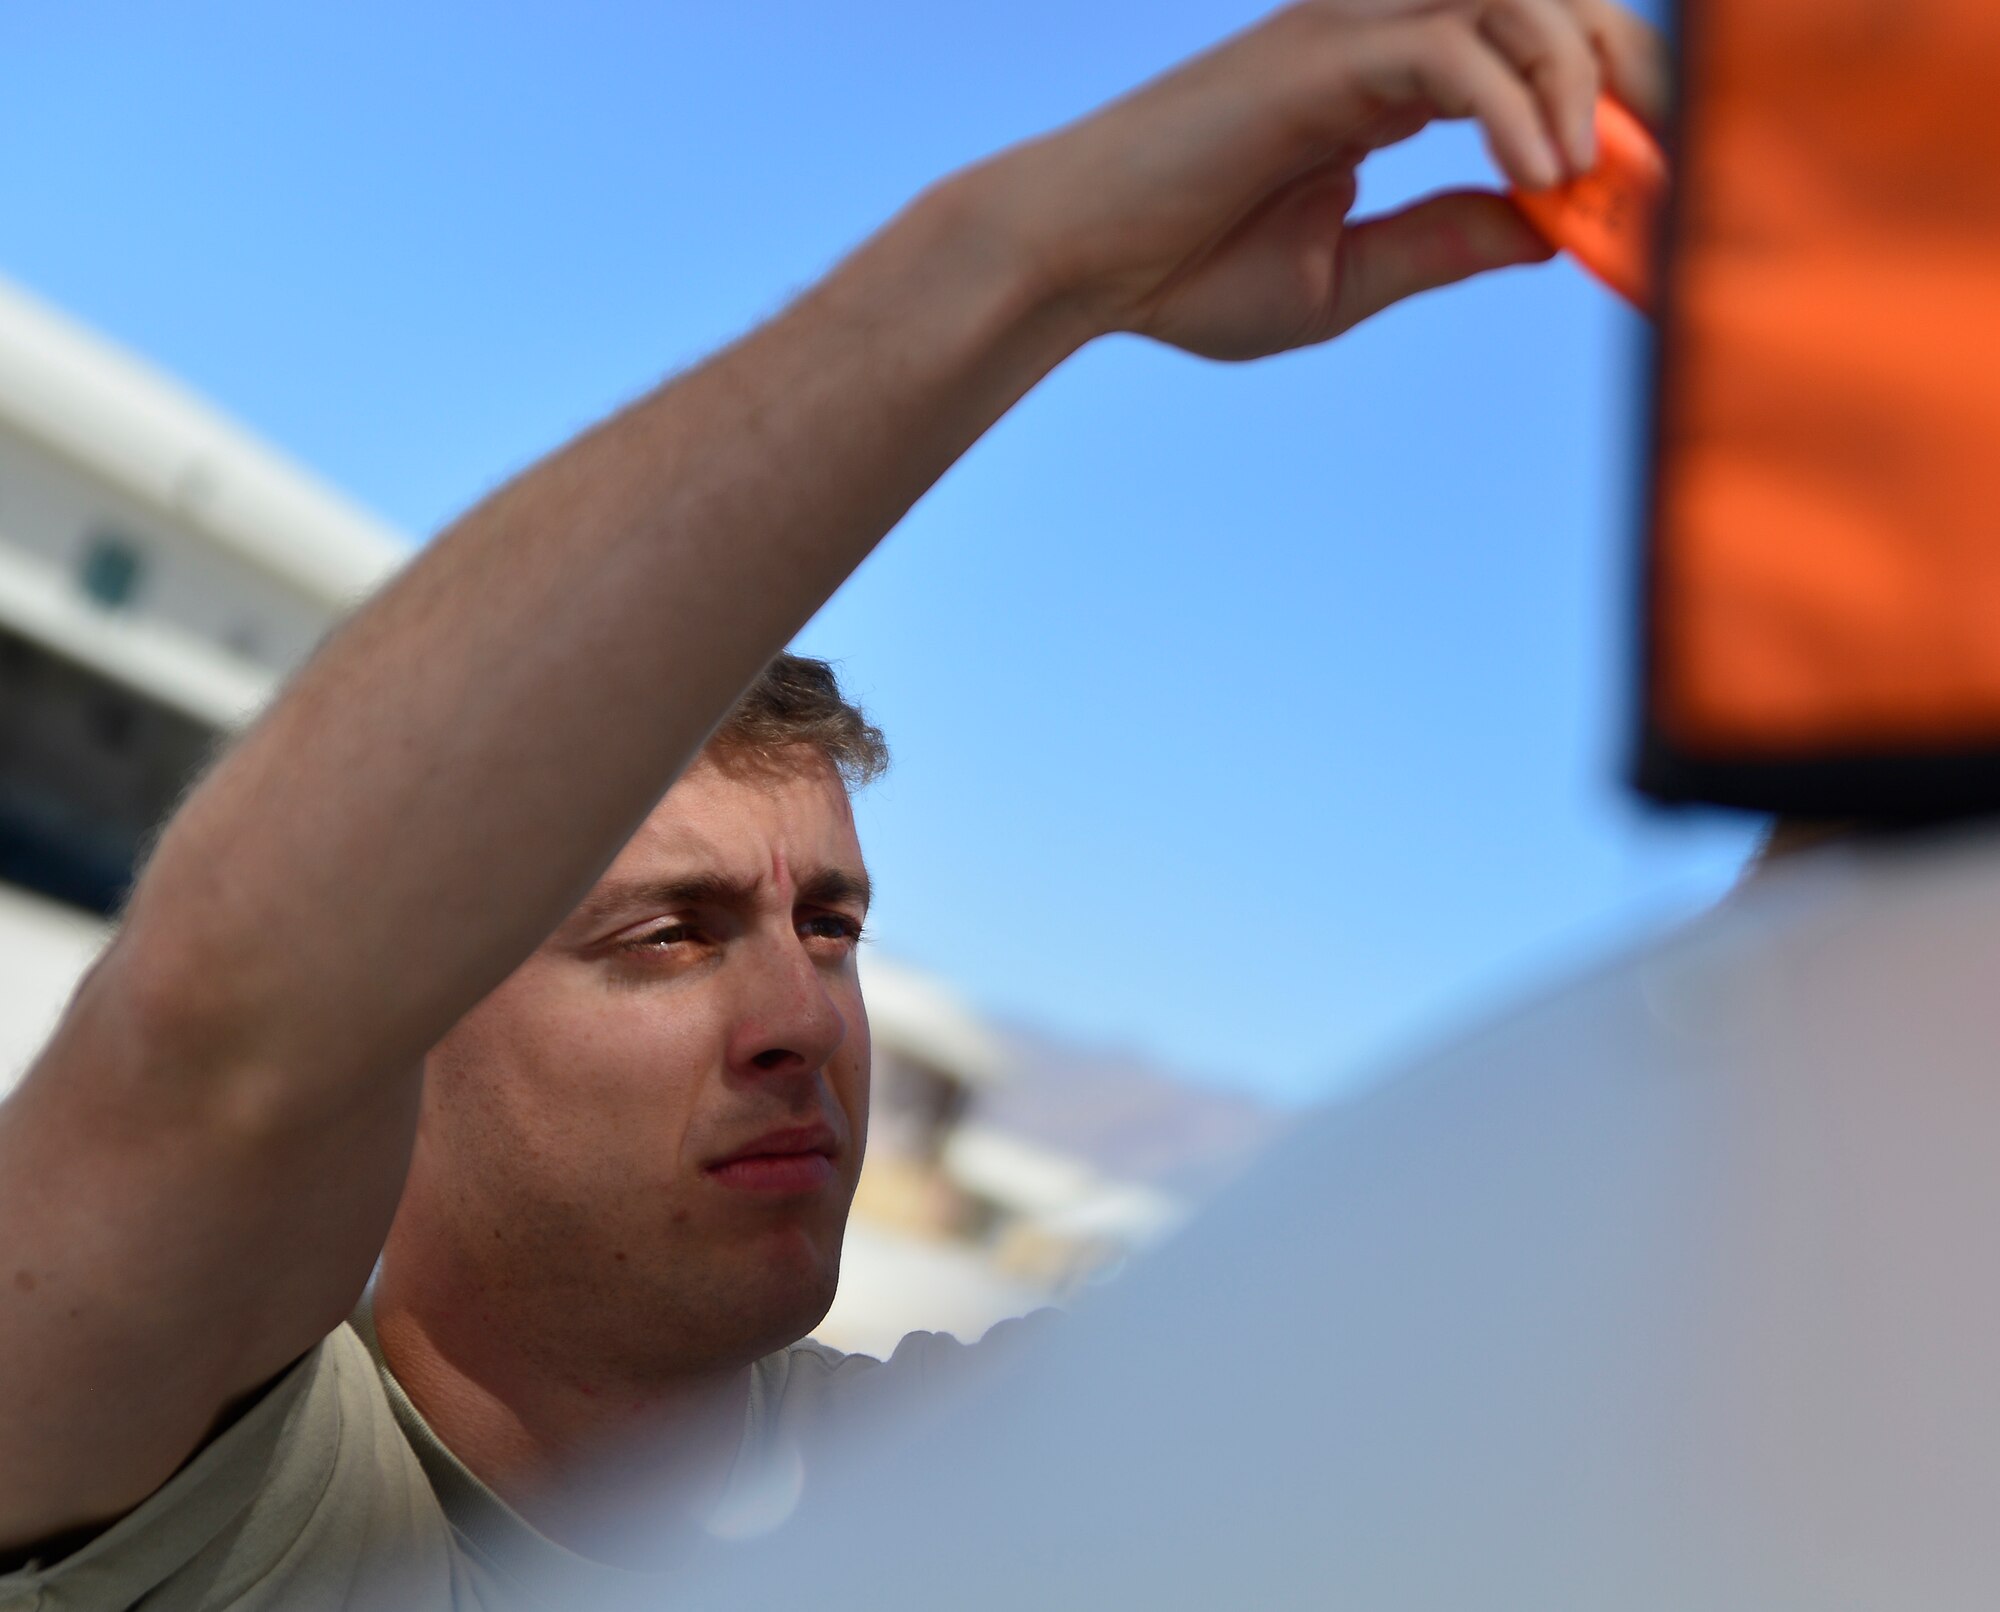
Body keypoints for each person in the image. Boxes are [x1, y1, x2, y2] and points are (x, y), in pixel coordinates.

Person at [0, 1, 1667, 1605]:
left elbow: (1690, 1188)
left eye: (833, 926)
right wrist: (1033, 260)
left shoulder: (963, 1488)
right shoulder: (244, 1515)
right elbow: (216, 1034)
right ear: (411, 1022)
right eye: (669, 934)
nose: (806, 1015)